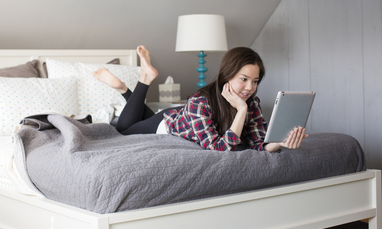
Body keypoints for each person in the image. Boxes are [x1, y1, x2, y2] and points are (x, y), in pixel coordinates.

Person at [92, 45, 307, 152]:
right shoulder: (200, 102)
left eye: (255, 81)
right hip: (167, 125)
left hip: (184, 119)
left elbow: (257, 143)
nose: (250, 88)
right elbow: (220, 149)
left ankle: (126, 89)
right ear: (227, 74)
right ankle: (130, 85)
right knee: (120, 131)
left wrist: (278, 143)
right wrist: (241, 111)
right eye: (244, 79)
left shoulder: (253, 103)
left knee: (133, 120)